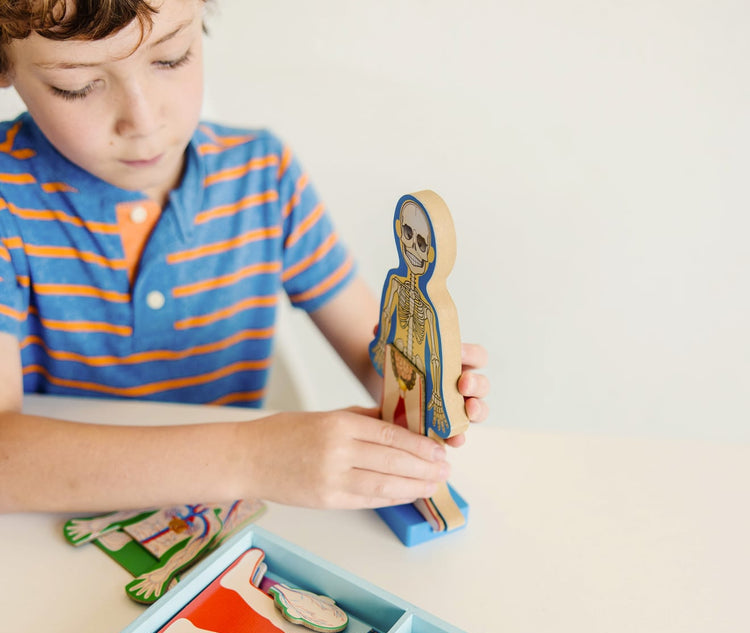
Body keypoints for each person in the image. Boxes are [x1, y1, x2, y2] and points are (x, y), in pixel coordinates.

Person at [0, 0, 489, 514]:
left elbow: (376, 354)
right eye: (76, 86)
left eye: (171, 58)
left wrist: (428, 371)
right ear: (6, 65)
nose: (143, 122)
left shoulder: (263, 177)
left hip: (225, 537)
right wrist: (255, 457)